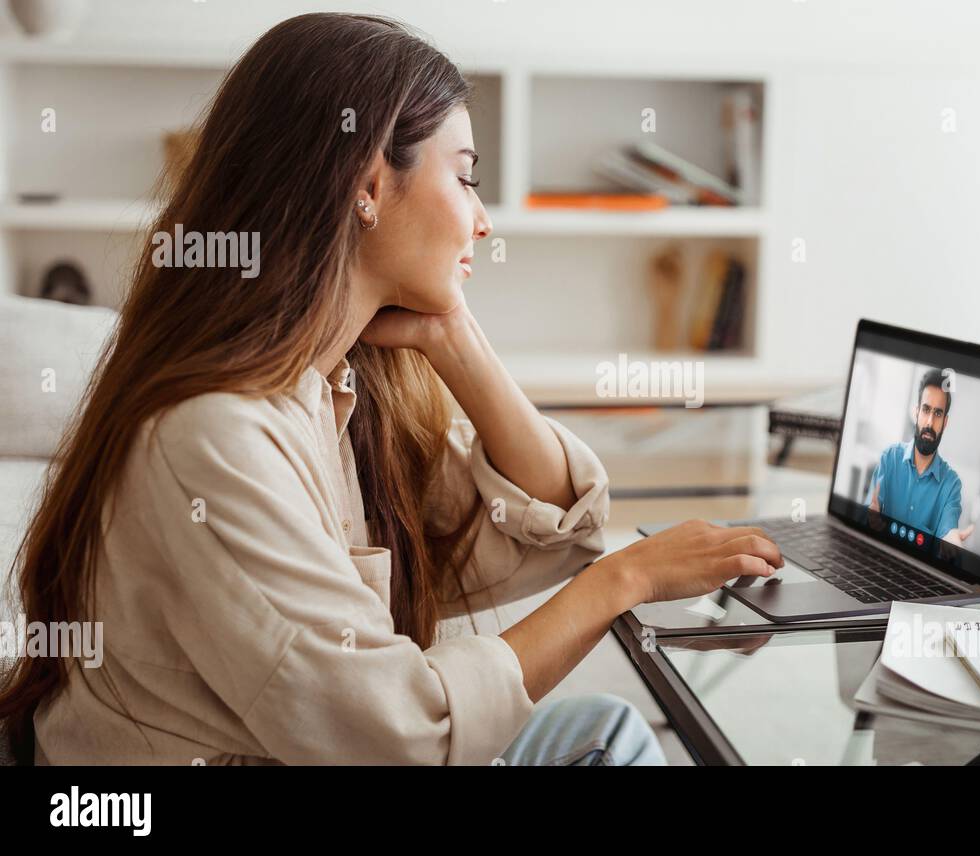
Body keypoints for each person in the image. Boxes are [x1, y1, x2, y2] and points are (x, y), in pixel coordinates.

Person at [0, 13, 783, 766]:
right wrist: (630, 578)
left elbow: (545, 536)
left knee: (607, 727)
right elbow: (400, 738)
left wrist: (455, 338)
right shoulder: (213, 437)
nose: (481, 221)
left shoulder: (332, 391)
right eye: (466, 177)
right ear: (369, 183)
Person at [867, 368, 974, 546]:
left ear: (945, 422)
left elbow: (948, 530)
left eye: (938, 414)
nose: (930, 422)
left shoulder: (951, 484)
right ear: (916, 412)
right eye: (926, 410)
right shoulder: (890, 458)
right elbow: (870, 511)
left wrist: (951, 539)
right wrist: (869, 518)